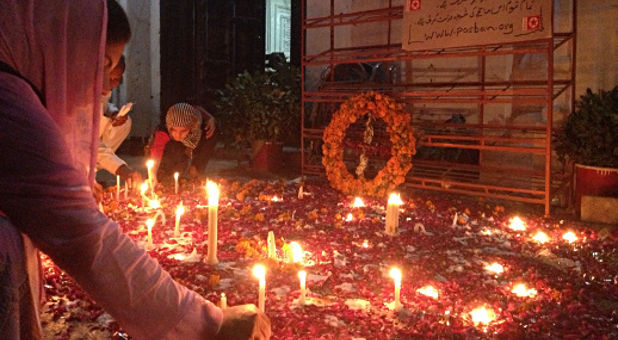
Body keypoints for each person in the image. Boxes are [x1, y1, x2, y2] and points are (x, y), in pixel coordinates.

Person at [0, 1, 271, 339]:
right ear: (53, 39)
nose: (103, 86)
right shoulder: (5, 96)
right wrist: (206, 323)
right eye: (101, 65)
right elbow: (81, 232)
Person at [97, 55, 142, 184]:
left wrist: (113, 113)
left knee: (125, 123)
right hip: (74, 152)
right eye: (110, 78)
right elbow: (89, 144)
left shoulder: (103, 88)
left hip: (91, 146)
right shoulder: (83, 96)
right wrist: (122, 169)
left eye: (117, 78)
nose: (113, 83)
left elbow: (103, 105)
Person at [149, 102, 218, 181]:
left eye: (183, 131)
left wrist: (210, 118)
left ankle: (195, 170)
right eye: (174, 130)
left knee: (211, 134)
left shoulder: (197, 123)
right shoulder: (164, 131)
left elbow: (196, 108)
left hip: (192, 143)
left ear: (191, 126)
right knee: (173, 154)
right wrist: (153, 173)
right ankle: (164, 171)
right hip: (172, 149)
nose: (178, 135)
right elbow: (156, 151)